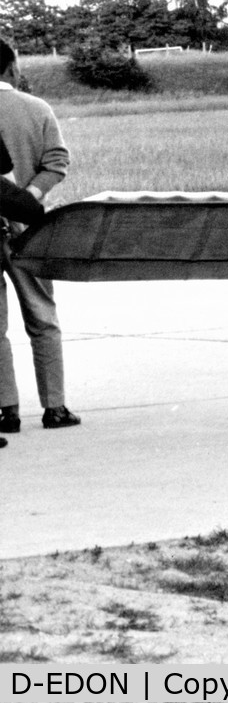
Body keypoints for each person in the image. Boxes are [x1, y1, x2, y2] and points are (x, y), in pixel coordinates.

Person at [0, 38, 79, 436]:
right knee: (42, 317)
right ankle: (55, 406)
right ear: (12, 68)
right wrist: (28, 198)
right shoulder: (37, 109)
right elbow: (57, 161)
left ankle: (5, 410)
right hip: (28, 228)